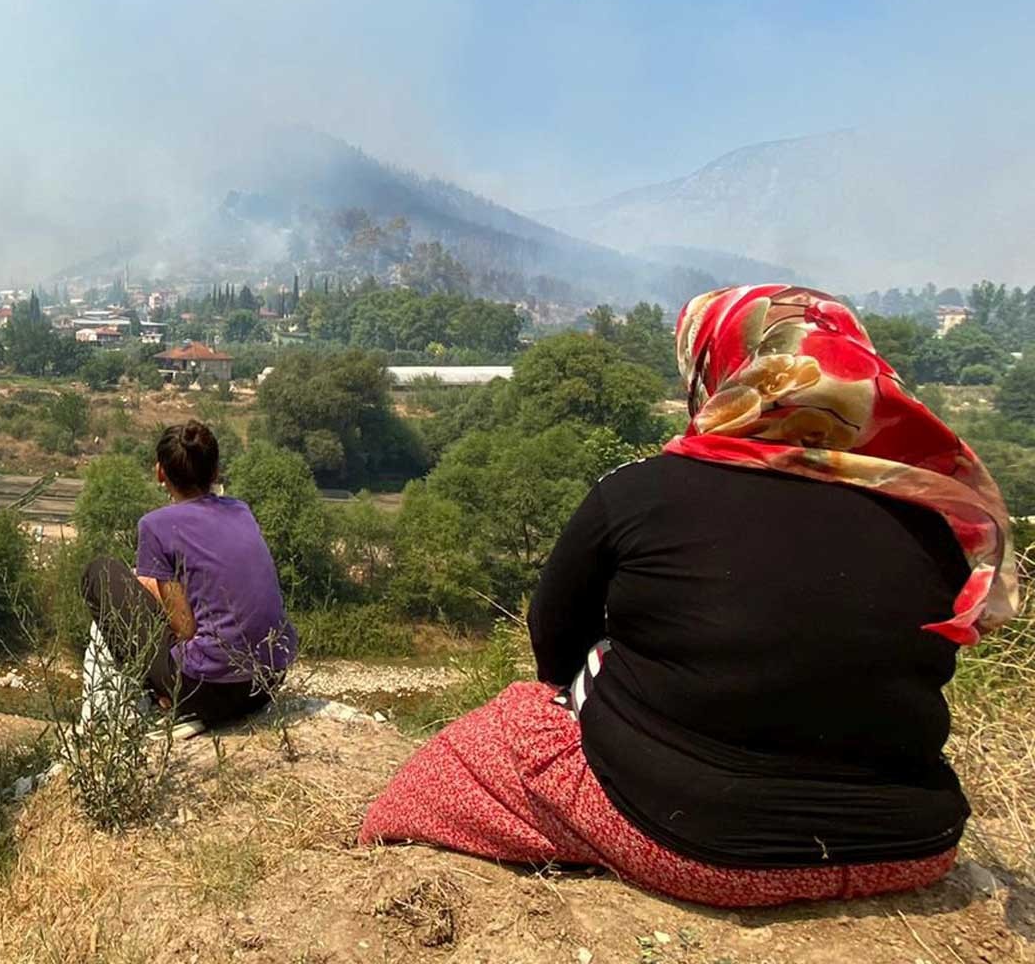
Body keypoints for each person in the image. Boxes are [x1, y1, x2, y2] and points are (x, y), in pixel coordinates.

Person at [360, 285, 1021, 908]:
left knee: (486, 740)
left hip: (703, 847)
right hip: (913, 846)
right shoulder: (934, 521)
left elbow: (554, 639)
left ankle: (365, 858)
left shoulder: (638, 492)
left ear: (724, 371)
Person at [82, 420, 297, 727]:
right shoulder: (241, 510)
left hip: (209, 693)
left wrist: (153, 589)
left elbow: (184, 627)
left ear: (160, 472)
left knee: (99, 571)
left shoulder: (155, 525)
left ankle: (161, 698)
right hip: (266, 684)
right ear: (215, 471)